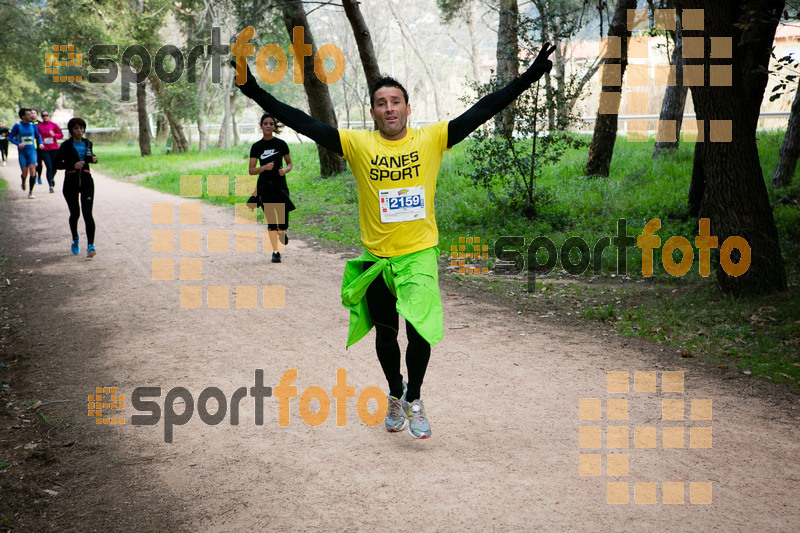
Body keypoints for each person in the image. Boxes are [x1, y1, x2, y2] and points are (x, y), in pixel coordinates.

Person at [232, 42, 555, 439]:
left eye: (396, 101)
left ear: (407, 108)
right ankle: (394, 392)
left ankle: (414, 398)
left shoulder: (433, 139)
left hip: (418, 256)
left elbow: (483, 110)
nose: (389, 108)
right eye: (381, 103)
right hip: (377, 259)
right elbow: (300, 120)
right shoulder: (358, 145)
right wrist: (252, 90)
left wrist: (526, 79)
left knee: (418, 331)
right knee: (386, 334)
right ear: (372, 112)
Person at [247, 112, 294, 263]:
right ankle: (275, 252)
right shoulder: (256, 147)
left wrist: (285, 170)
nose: (268, 126)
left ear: (274, 127)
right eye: (265, 123)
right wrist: (265, 167)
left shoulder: (281, 144)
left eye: (271, 124)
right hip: (264, 188)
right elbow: (251, 170)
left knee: (283, 223)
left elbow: (289, 163)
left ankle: (282, 232)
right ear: (261, 126)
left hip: (280, 187)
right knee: (272, 222)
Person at [55, 118, 98, 258]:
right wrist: (72, 165)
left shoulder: (88, 143)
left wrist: (94, 159)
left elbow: (89, 157)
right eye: (76, 128)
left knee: (87, 213)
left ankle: (91, 246)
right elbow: (56, 163)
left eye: (81, 128)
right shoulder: (66, 145)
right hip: (71, 183)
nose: (79, 131)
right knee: (75, 213)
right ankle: (75, 238)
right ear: (71, 130)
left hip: (86, 182)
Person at [8, 109, 43, 198]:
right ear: (23, 116)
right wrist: (18, 144)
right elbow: (10, 138)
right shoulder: (17, 126)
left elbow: (38, 136)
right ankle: (23, 180)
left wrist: (41, 143)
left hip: (32, 151)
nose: (30, 115)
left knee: (32, 170)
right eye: (28, 114)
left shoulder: (33, 125)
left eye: (30, 114)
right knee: (25, 172)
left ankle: (31, 192)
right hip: (22, 152)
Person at [36, 111, 64, 193]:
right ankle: (51, 185)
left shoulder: (53, 125)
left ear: (49, 116)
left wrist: (54, 135)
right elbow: (35, 136)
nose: (45, 117)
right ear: (41, 117)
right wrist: (39, 139)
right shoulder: (39, 126)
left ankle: (51, 177)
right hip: (44, 149)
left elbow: (61, 135)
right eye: (43, 116)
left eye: (46, 115)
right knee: (49, 166)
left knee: (55, 166)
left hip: (54, 148)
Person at [30, 109, 43, 185]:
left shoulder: (40, 123)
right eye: (31, 113)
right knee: (32, 163)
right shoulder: (27, 123)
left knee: (39, 162)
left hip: (39, 145)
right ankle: (33, 176)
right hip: (31, 146)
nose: (33, 114)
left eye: (34, 113)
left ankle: (39, 177)